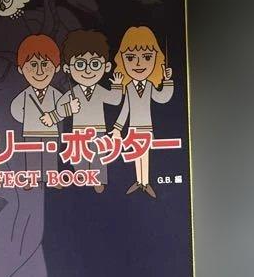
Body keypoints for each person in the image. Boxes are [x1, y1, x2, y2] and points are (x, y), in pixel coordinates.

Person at [56, 29, 123, 192]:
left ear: (106, 67)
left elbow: (114, 100)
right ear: (68, 68)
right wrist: (69, 108)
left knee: (98, 156)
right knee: (78, 156)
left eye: (94, 64)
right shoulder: (73, 92)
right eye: (80, 64)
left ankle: (98, 179)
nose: (87, 71)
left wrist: (117, 85)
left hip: (98, 130)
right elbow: (59, 108)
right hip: (78, 132)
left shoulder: (99, 90)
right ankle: (80, 175)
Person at [113, 26, 174, 199]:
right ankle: (139, 181)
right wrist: (117, 128)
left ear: (156, 59)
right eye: (131, 58)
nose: (139, 64)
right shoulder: (129, 87)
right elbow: (125, 109)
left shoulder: (150, 86)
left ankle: (145, 182)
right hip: (133, 129)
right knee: (136, 155)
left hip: (146, 128)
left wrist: (167, 80)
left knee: (144, 155)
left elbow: (162, 97)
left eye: (147, 57)